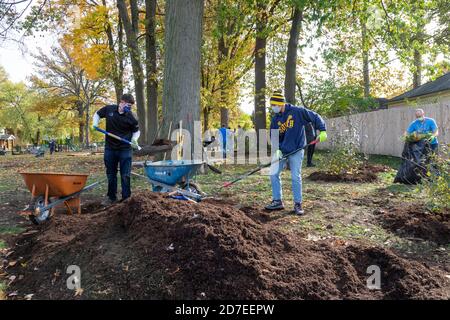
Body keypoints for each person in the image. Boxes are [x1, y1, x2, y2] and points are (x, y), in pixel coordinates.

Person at [265, 91, 327, 216]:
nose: (273, 108)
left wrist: (322, 130)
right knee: (273, 173)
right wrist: (277, 150)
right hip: (282, 151)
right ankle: (277, 201)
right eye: (272, 105)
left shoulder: (297, 112)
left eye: (275, 105)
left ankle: (297, 203)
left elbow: (315, 116)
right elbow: (274, 136)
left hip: (297, 150)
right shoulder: (275, 119)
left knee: (295, 176)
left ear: (281, 103)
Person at [92, 94, 140, 205]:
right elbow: (97, 114)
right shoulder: (109, 109)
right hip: (110, 148)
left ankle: (126, 198)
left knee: (125, 174)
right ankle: (111, 197)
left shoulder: (132, 116)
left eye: (130, 106)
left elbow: (136, 131)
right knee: (111, 173)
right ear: (121, 102)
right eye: (127, 105)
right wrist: (95, 123)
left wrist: (134, 139)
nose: (129, 108)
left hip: (125, 149)